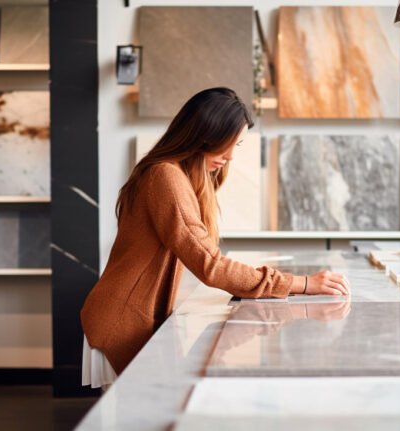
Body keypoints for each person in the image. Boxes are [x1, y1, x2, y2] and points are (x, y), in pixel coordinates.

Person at [80, 87, 351, 389]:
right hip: (120, 320)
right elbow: (210, 265)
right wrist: (301, 284)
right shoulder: (164, 176)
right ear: (203, 134)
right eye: (227, 144)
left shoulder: (178, 177)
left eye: (237, 144)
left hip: (129, 318)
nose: (231, 155)